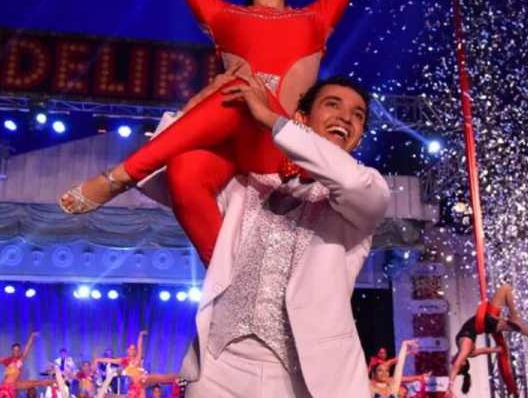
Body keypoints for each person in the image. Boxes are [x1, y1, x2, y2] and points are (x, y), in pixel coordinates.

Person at [59, 0, 415, 269]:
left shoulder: (315, 20)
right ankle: (228, 279)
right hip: (236, 146)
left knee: (242, 91)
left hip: (283, 148)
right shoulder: (222, 16)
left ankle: (120, 176)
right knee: (185, 171)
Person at [138, 74, 389, 397]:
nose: (346, 116)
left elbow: (351, 182)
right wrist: (195, 107)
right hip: (219, 366)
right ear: (301, 118)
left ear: (358, 138)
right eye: (332, 105)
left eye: (358, 115)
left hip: (302, 376)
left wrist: (271, 120)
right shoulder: (248, 184)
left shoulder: (366, 194)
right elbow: (165, 174)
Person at [446, 283, 528, 398]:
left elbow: (482, 351)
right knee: (505, 288)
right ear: (463, 362)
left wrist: (497, 349)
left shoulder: (470, 352)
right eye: (455, 363)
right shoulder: (465, 349)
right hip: (487, 319)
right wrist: (450, 387)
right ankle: (515, 317)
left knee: (521, 329)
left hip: (489, 325)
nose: (452, 362)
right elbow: (457, 366)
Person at [0, 333, 44, 398]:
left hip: (14, 386)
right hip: (5, 387)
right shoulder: (7, 360)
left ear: (20, 351)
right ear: (12, 350)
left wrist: (32, 336)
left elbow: (28, 346)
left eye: (18, 350)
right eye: (15, 350)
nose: (16, 351)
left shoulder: (21, 359)